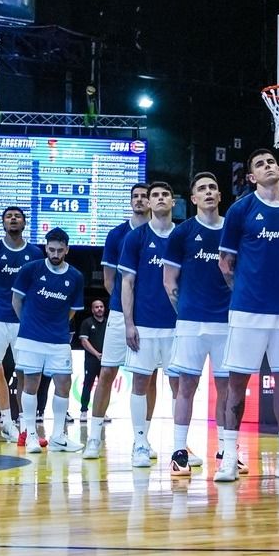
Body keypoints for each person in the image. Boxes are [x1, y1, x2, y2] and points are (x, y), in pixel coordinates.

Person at [217, 149, 279, 482]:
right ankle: (229, 457)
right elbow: (225, 262)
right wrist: (242, 291)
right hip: (247, 311)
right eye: (260, 164)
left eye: (270, 162)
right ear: (251, 177)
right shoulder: (241, 209)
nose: (267, 166)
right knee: (236, 384)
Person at [162, 172, 236, 477]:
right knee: (186, 389)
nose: (208, 192)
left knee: (226, 390)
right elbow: (169, 282)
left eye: (213, 188)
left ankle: (225, 451)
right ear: (192, 199)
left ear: (219, 196)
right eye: (202, 189)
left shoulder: (232, 231)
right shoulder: (182, 233)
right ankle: (179, 451)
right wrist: (185, 312)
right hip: (191, 323)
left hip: (225, 324)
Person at [84, 184, 151, 459]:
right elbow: (110, 279)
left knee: (147, 377)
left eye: (144, 196)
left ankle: (143, 441)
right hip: (119, 314)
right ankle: (94, 437)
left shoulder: (161, 231)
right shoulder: (117, 234)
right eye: (135, 196)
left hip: (150, 317)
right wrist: (127, 311)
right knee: (107, 373)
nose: (140, 200)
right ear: (130, 201)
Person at [120, 181, 178, 467]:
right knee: (141, 382)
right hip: (144, 324)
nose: (159, 199)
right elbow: (127, 283)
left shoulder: (183, 235)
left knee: (182, 386)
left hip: (178, 326)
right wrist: (129, 323)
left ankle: (182, 445)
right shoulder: (136, 238)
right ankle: (140, 441)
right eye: (155, 195)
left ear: (174, 202)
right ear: (150, 203)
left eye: (165, 194)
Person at [0, 206, 43, 447]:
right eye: (8, 216)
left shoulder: (35, 253)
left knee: (25, 374)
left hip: (24, 323)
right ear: (2, 223)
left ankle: (26, 430)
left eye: (17, 216)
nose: (13, 219)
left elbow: (36, 289)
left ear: (25, 223)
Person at [13, 228, 84, 453]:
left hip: (59, 339)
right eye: (51, 249)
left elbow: (72, 310)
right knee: (31, 384)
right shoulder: (30, 270)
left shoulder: (76, 276)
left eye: (59, 250)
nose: (55, 254)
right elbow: (17, 301)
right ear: (46, 248)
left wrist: (56, 325)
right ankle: (31, 435)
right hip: (30, 338)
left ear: (67, 250)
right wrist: (28, 324)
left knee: (63, 384)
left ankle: (58, 437)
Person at [77, 299, 106, 421]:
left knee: (104, 386)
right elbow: (84, 341)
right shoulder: (87, 323)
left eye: (101, 306)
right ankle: (84, 411)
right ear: (92, 309)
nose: (99, 309)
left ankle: (102, 412)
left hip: (106, 361)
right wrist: (96, 354)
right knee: (88, 384)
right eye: (96, 307)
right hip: (91, 360)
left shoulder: (109, 323)